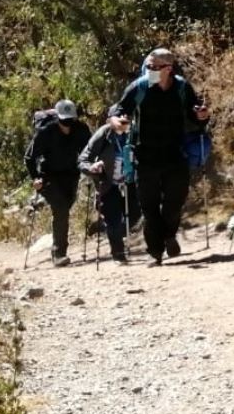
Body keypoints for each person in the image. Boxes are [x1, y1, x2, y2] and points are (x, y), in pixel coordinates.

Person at [112, 49, 210, 267]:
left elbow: (196, 115)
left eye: (154, 67)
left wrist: (202, 115)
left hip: (175, 153)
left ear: (168, 69)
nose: (149, 71)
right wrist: (117, 123)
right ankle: (155, 252)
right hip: (145, 155)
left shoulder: (182, 87)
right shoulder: (139, 87)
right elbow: (118, 112)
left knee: (175, 203)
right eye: (147, 66)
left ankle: (169, 235)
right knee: (149, 206)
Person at [24, 99, 90, 266]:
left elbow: (90, 150)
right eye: (64, 119)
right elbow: (30, 157)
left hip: (71, 175)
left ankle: (58, 248)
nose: (67, 123)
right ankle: (59, 253)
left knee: (66, 207)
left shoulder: (81, 130)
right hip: (48, 177)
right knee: (60, 209)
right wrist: (36, 178)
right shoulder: (46, 132)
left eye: (70, 119)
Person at [79, 110, 132, 264]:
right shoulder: (104, 134)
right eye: (120, 120)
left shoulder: (135, 132)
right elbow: (83, 160)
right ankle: (118, 253)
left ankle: (118, 235)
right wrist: (93, 168)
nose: (124, 123)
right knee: (113, 218)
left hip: (131, 182)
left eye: (127, 120)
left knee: (134, 215)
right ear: (112, 120)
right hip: (108, 183)